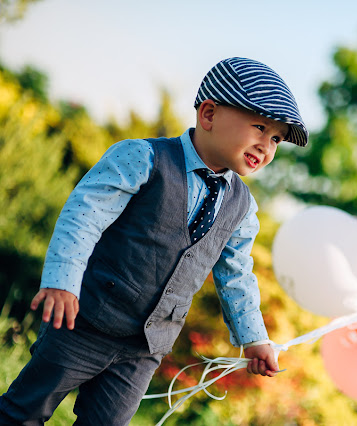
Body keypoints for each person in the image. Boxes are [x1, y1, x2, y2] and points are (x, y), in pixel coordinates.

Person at [0, 57, 308, 425]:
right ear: (209, 114)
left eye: (276, 138)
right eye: (259, 127)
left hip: (144, 349)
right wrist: (62, 282)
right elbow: (84, 216)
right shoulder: (144, 157)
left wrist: (254, 338)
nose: (266, 146)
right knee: (24, 410)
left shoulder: (243, 208)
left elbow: (237, 276)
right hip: (83, 323)